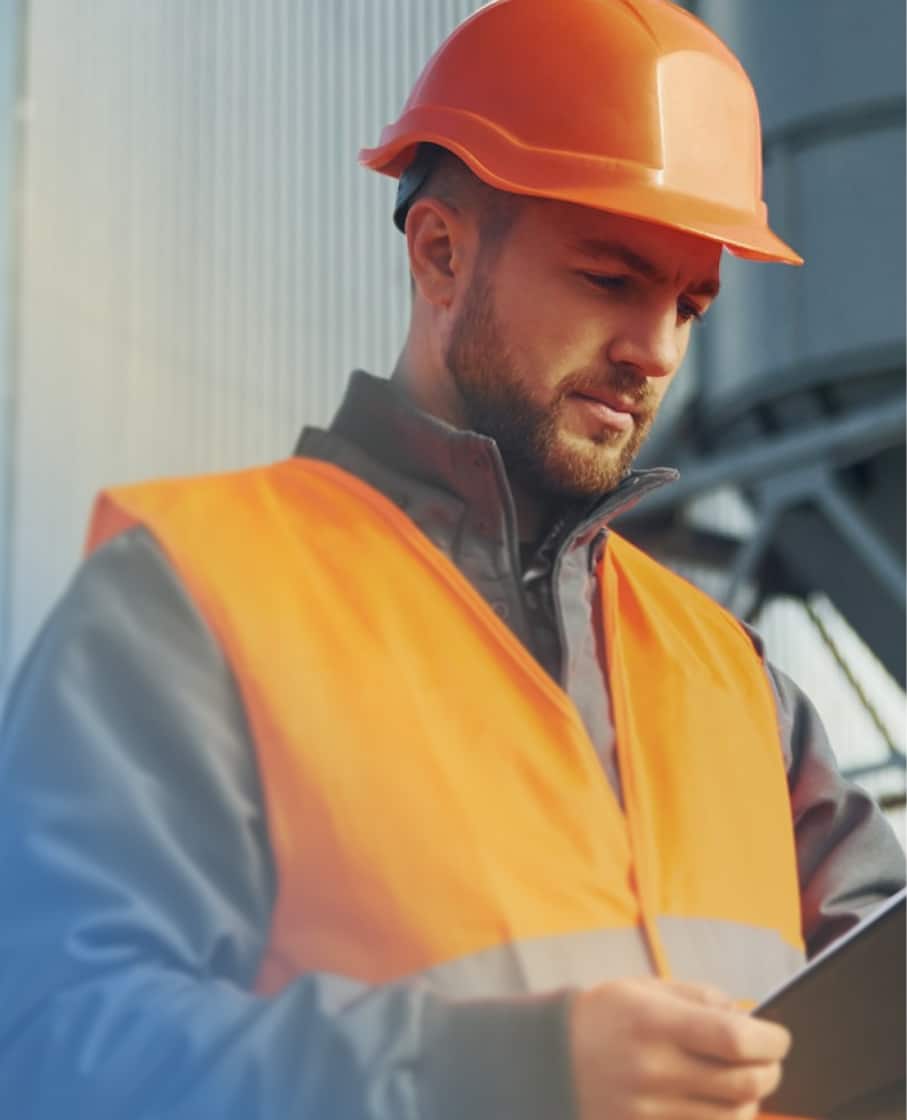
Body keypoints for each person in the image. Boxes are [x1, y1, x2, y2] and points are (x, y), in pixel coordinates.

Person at [0, 1, 903, 1117]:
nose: (655, 350)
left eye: (690, 302)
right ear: (439, 253)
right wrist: (502, 1070)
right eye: (609, 279)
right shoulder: (188, 596)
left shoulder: (730, 677)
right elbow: (53, 1048)